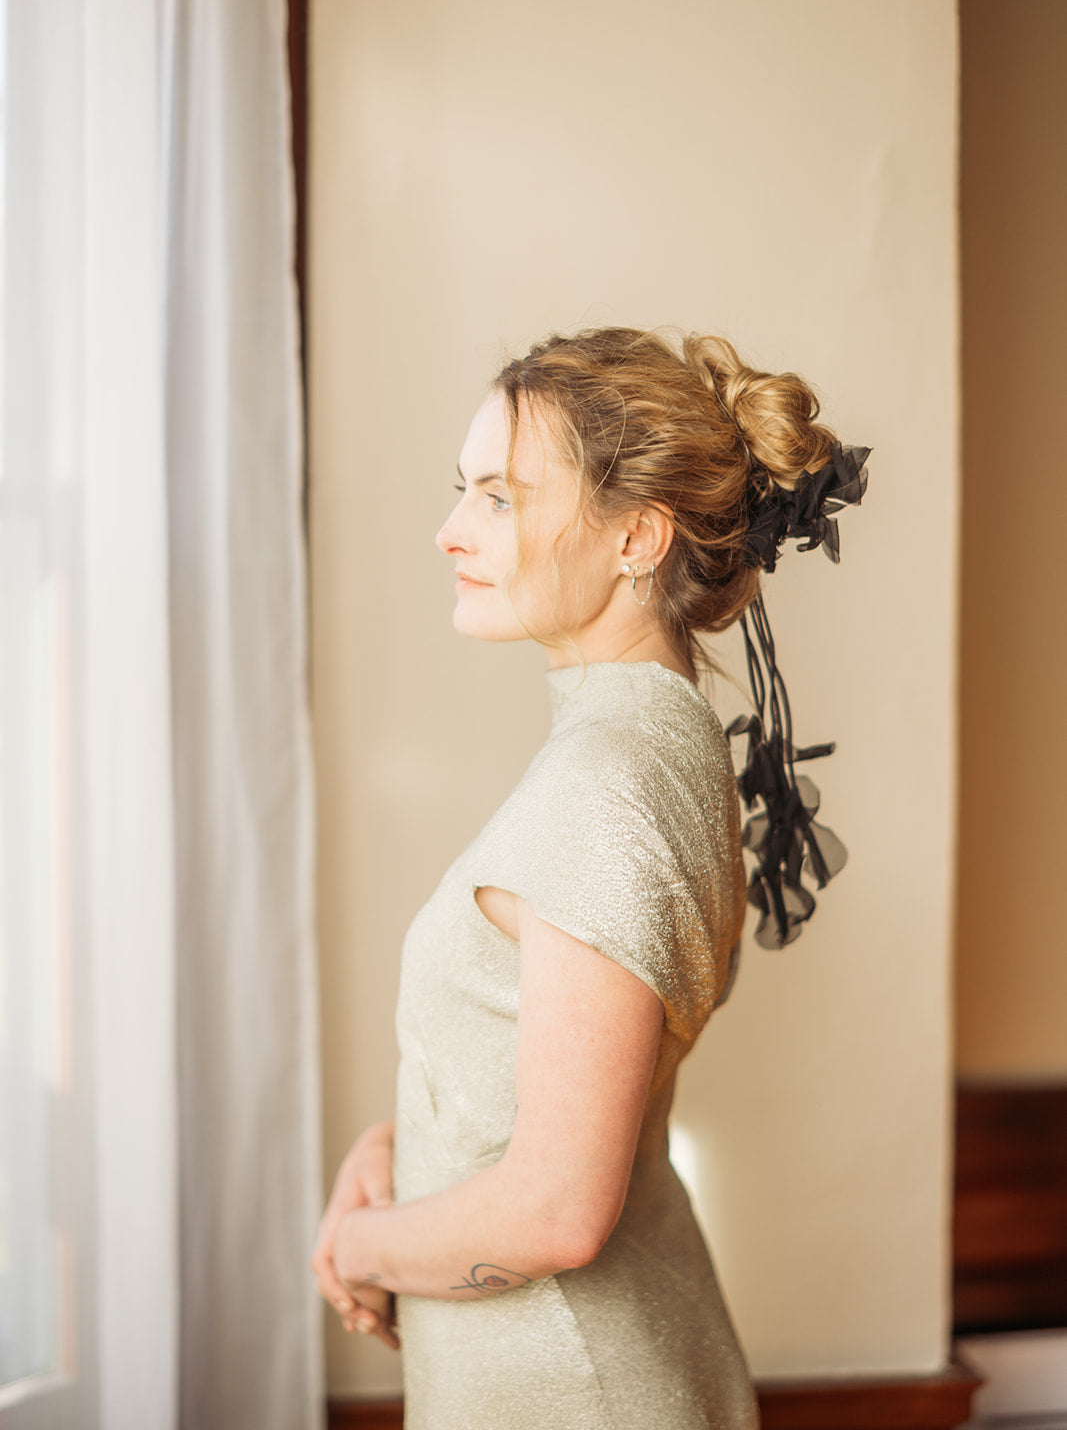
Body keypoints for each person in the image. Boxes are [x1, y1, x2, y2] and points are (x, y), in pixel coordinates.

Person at [311, 326, 867, 1428]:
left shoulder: (606, 783)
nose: (449, 530)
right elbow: (553, 1068)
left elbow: (556, 1210)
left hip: (579, 1389)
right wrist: (399, 1149)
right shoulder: (651, 741)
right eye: (462, 491)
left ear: (637, 537)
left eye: (499, 497)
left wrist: (356, 1247)